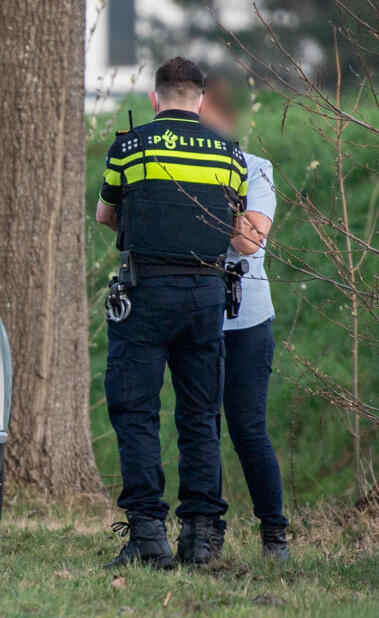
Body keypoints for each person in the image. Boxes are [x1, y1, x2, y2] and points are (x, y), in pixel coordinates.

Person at [95, 57, 248, 568]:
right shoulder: (230, 154)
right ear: (201, 100)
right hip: (206, 294)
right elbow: (235, 228)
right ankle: (201, 539)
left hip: (145, 293)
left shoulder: (130, 146)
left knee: (136, 412)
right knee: (200, 415)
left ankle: (147, 536)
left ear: (155, 98)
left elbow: (105, 214)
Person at [200, 71, 289, 560]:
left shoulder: (256, 169)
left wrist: (218, 189)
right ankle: (207, 531)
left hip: (247, 320)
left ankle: (274, 534)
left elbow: (248, 240)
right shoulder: (177, 168)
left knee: (247, 428)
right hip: (196, 314)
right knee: (201, 427)